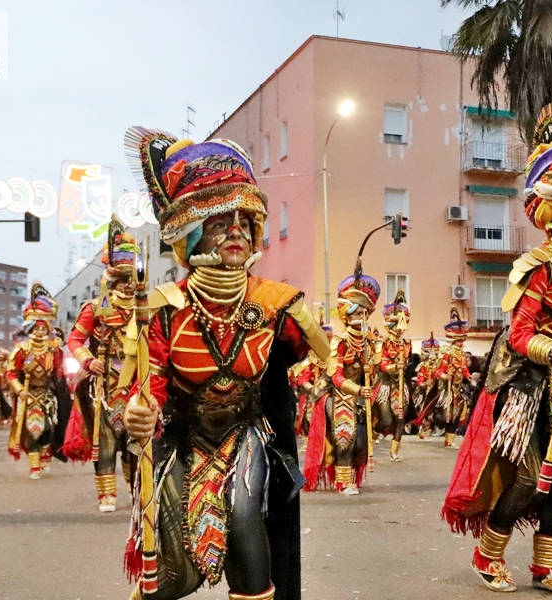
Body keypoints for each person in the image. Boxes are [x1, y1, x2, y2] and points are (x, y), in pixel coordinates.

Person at [120, 130, 329, 600]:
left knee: (245, 523)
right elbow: (143, 387)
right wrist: (138, 412)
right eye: (219, 222)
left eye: (243, 220)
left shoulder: (279, 305)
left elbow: (311, 361)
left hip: (246, 433)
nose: (235, 231)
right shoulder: (164, 310)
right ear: (191, 233)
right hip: (182, 436)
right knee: (169, 569)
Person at [443, 104, 552, 594]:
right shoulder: (538, 265)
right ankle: (487, 555)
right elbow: (518, 335)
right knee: (525, 477)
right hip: (529, 383)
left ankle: (546, 566)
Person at [61, 220, 138, 512]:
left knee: (135, 438)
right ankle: (106, 495)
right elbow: (76, 339)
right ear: (113, 280)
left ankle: (135, 489)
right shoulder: (95, 307)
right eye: (123, 279)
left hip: (135, 383)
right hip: (103, 386)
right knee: (105, 442)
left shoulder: (146, 307)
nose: (129, 284)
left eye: (132, 278)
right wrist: (88, 360)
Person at [305, 274, 379, 494]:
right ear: (347, 315)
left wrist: (372, 367)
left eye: (363, 313)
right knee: (345, 436)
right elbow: (336, 377)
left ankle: (352, 476)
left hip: (360, 395)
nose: (360, 316)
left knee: (362, 441)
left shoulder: (369, 341)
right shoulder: (339, 342)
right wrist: (357, 389)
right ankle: (342, 482)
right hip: (339, 394)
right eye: (356, 312)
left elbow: (374, 371)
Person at [7, 284, 70, 479]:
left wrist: (63, 380)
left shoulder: (53, 349)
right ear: (30, 328)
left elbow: (59, 371)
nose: (41, 332)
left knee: (49, 429)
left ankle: (45, 455)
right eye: (37, 328)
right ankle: (34, 466)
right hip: (28, 393)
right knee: (32, 429)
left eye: (44, 328)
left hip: (47, 395)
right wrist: (19, 390)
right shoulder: (21, 350)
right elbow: (10, 373)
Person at [374, 291, 411, 461]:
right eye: (397, 324)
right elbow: (381, 365)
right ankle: (374, 435)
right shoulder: (382, 343)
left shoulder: (407, 343)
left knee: (400, 417)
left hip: (400, 385)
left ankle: (394, 451)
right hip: (386, 385)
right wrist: (395, 366)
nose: (400, 328)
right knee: (386, 419)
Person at [434, 309, 472, 449]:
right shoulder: (447, 354)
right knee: (446, 415)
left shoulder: (462, 356)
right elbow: (439, 371)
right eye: (458, 341)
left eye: (462, 341)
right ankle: (436, 423)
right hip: (447, 390)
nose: (460, 344)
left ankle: (449, 440)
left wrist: (470, 378)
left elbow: (464, 370)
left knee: (457, 415)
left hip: (458, 388)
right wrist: (445, 376)